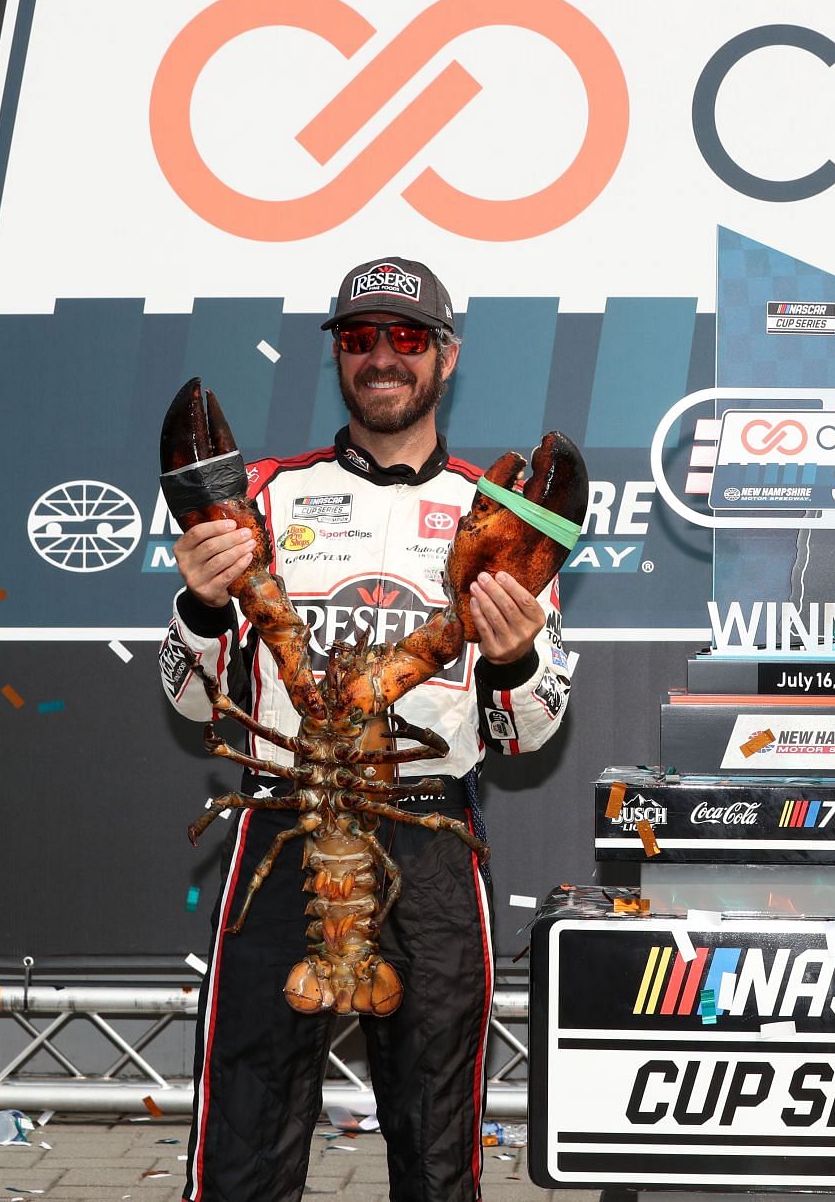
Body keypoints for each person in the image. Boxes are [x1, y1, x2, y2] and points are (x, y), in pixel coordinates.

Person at [157, 256, 572, 1202]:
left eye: (408, 337)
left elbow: (532, 730)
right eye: (359, 338)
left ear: (447, 355)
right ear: (337, 355)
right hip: (283, 822)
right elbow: (190, 701)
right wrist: (203, 606)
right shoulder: (259, 497)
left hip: (430, 842)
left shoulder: (502, 519)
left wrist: (509, 657)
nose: (383, 357)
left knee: (437, 1144)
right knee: (245, 1137)